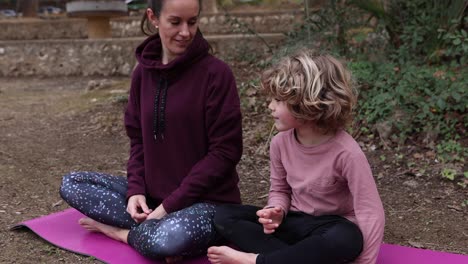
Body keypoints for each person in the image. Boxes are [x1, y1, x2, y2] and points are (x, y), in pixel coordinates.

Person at [59, 0, 243, 262]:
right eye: (175, 22)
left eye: (192, 22)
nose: (185, 32)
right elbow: (138, 140)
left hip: (208, 203)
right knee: (72, 183)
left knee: (169, 239)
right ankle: (148, 229)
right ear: (153, 18)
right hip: (154, 200)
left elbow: (225, 152)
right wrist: (136, 192)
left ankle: (122, 233)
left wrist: (169, 207)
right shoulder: (142, 74)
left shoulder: (217, 74)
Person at [207, 51, 385, 264]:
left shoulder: (346, 152)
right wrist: (277, 211)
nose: (270, 106)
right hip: (295, 224)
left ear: (307, 104)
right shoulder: (279, 143)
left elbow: (370, 210)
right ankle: (296, 259)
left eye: (278, 100)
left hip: (331, 227)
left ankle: (257, 261)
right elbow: (280, 190)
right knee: (225, 215)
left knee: (347, 238)